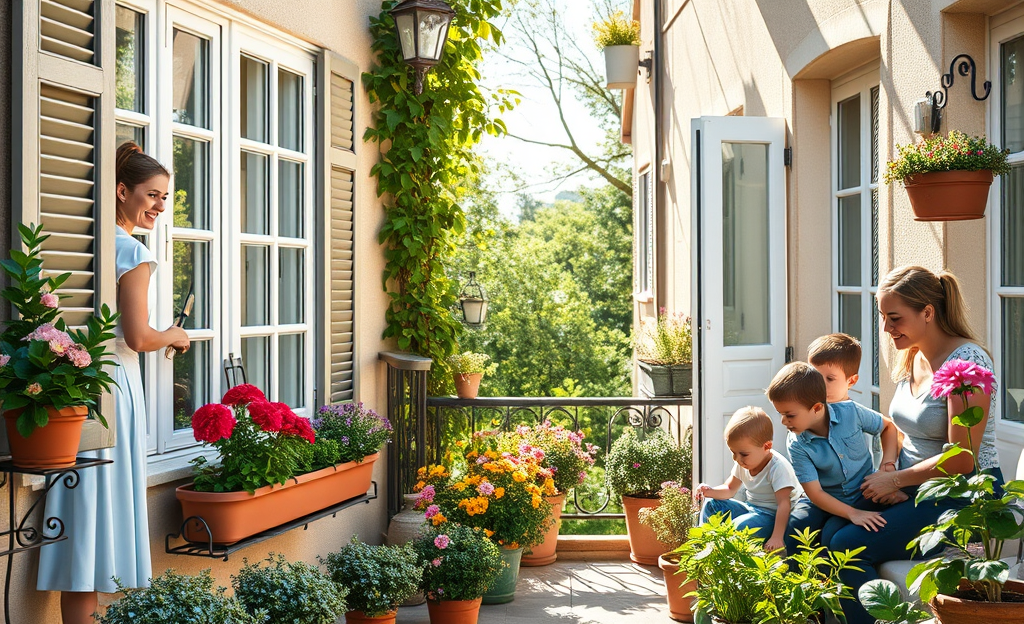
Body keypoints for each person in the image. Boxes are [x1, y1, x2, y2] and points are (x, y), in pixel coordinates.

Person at [37, 142, 190, 624]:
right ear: (121, 191)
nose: (160, 206)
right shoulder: (132, 252)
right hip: (114, 391)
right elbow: (139, 337)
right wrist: (175, 334)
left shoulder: (81, 243)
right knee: (104, 513)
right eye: (152, 195)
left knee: (83, 520)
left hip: (76, 387)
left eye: (165, 197)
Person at [827, 266, 1002, 624]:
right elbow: (905, 430)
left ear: (927, 312)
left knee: (845, 545)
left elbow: (962, 460)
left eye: (895, 318)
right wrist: (890, 469)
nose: (887, 329)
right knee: (825, 527)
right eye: (883, 318)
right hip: (913, 483)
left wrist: (897, 482)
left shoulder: (967, 365)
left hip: (962, 495)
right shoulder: (915, 354)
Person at [766, 362, 902, 556]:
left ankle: (831, 581)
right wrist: (853, 514)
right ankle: (802, 582)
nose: (783, 421)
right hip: (823, 498)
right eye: (781, 414)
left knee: (831, 534)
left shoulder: (851, 413)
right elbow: (816, 494)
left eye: (790, 415)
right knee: (796, 528)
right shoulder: (797, 443)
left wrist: (887, 466)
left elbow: (888, 427)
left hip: (861, 492)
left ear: (817, 408)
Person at [694, 406, 802, 553]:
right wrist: (709, 491)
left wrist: (777, 537)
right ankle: (704, 548)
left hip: (772, 516)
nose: (737, 459)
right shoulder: (742, 463)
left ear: (767, 446)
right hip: (751, 508)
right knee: (711, 505)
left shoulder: (778, 468)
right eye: (733, 452)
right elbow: (729, 489)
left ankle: (723, 556)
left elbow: (784, 504)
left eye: (743, 454)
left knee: (738, 528)